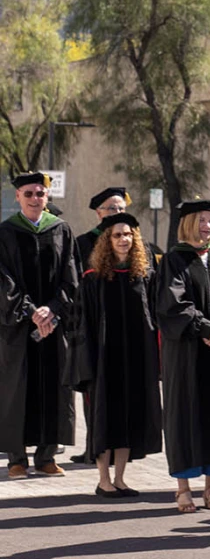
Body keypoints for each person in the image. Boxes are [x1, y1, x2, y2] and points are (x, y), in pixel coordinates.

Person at [156, 199, 210, 513]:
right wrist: (206, 329)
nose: (207, 226)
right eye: (201, 220)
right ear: (188, 224)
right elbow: (172, 304)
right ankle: (183, 490)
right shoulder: (173, 260)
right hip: (187, 353)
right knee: (186, 414)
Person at [73, 212, 162, 498]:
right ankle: (103, 480)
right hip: (104, 361)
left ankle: (121, 478)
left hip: (136, 359)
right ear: (107, 241)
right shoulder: (93, 279)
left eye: (127, 235)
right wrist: (86, 363)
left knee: (129, 417)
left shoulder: (144, 277)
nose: (123, 240)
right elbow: (82, 324)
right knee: (105, 418)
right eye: (117, 235)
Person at [0, 172, 79, 479]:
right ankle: (17, 458)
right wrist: (32, 311)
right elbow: (2, 280)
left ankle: (47, 456)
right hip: (17, 327)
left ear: (48, 198)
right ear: (17, 197)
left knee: (54, 385)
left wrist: (53, 310)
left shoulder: (61, 230)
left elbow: (71, 275)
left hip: (53, 324)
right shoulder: (5, 232)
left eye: (40, 193)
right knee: (15, 388)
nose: (35, 198)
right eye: (29, 193)